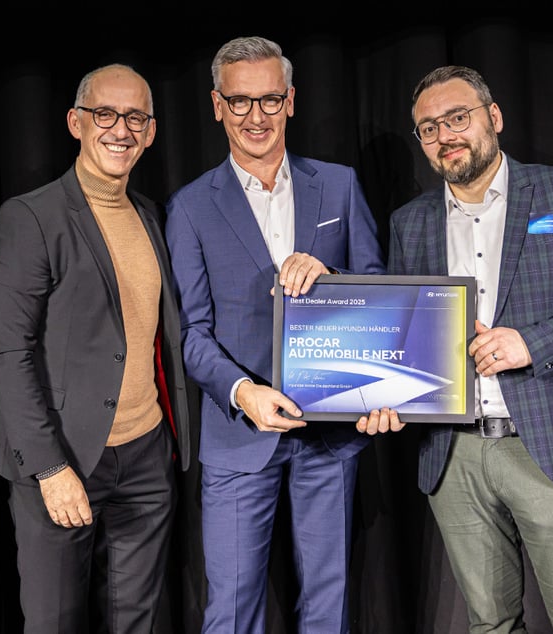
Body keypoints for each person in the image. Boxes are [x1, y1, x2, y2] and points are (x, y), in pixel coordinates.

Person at [384, 65, 553, 632]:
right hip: (453, 457)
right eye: (429, 128)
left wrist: (533, 342)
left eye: (458, 117)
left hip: (548, 445)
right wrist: (385, 398)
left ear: (493, 117)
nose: (445, 134)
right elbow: (402, 339)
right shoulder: (410, 224)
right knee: (490, 624)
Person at [165, 36, 391, 633]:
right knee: (233, 610)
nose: (255, 117)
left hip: (331, 430)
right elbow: (192, 333)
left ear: (290, 102)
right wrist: (244, 392)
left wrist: (332, 276)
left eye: (269, 100)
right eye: (240, 103)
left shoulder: (338, 185)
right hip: (240, 434)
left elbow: (377, 289)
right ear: (217, 106)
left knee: (328, 604)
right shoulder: (189, 207)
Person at [0, 63, 192, 633]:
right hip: (63, 458)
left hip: (147, 457)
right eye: (105, 114)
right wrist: (51, 468)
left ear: (150, 132)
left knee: (137, 623)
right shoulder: (30, 217)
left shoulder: (151, 215)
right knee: (55, 623)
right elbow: (6, 352)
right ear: (76, 122)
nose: (119, 129)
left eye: (135, 118)